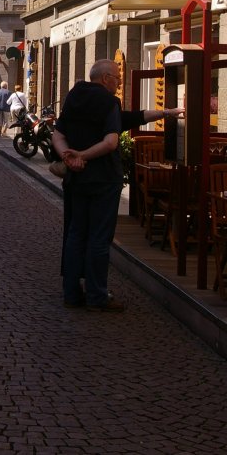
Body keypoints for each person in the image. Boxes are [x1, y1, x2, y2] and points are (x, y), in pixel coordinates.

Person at [53, 59, 184, 313]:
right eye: (117, 76)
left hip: (77, 180)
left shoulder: (74, 96)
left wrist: (69, 158)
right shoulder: (109, 101)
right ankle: (97, 296)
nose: (119, 81)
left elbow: (58, 134)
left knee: (75, 233)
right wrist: (82, 156)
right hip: (103, 180)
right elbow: (111, 142)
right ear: (105, 79)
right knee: (99, 238)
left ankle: (71, 292)